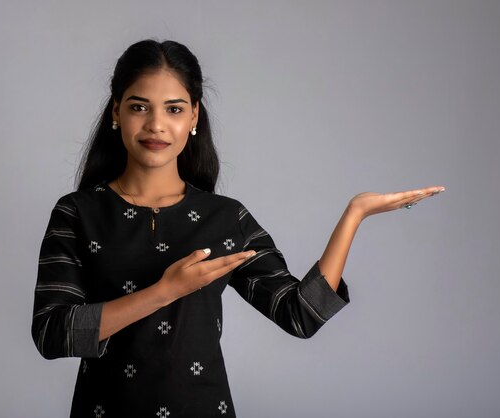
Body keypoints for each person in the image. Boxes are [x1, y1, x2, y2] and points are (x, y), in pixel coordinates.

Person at [31, 39, 445, 418]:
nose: (156, 124)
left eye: (174, 109)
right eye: (139, 106)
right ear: (115, 113)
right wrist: (164, 292)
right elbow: (52, 334)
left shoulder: (225, 218)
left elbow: (299, 315)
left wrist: (354, 214)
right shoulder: (77, 213)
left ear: (193, 116)